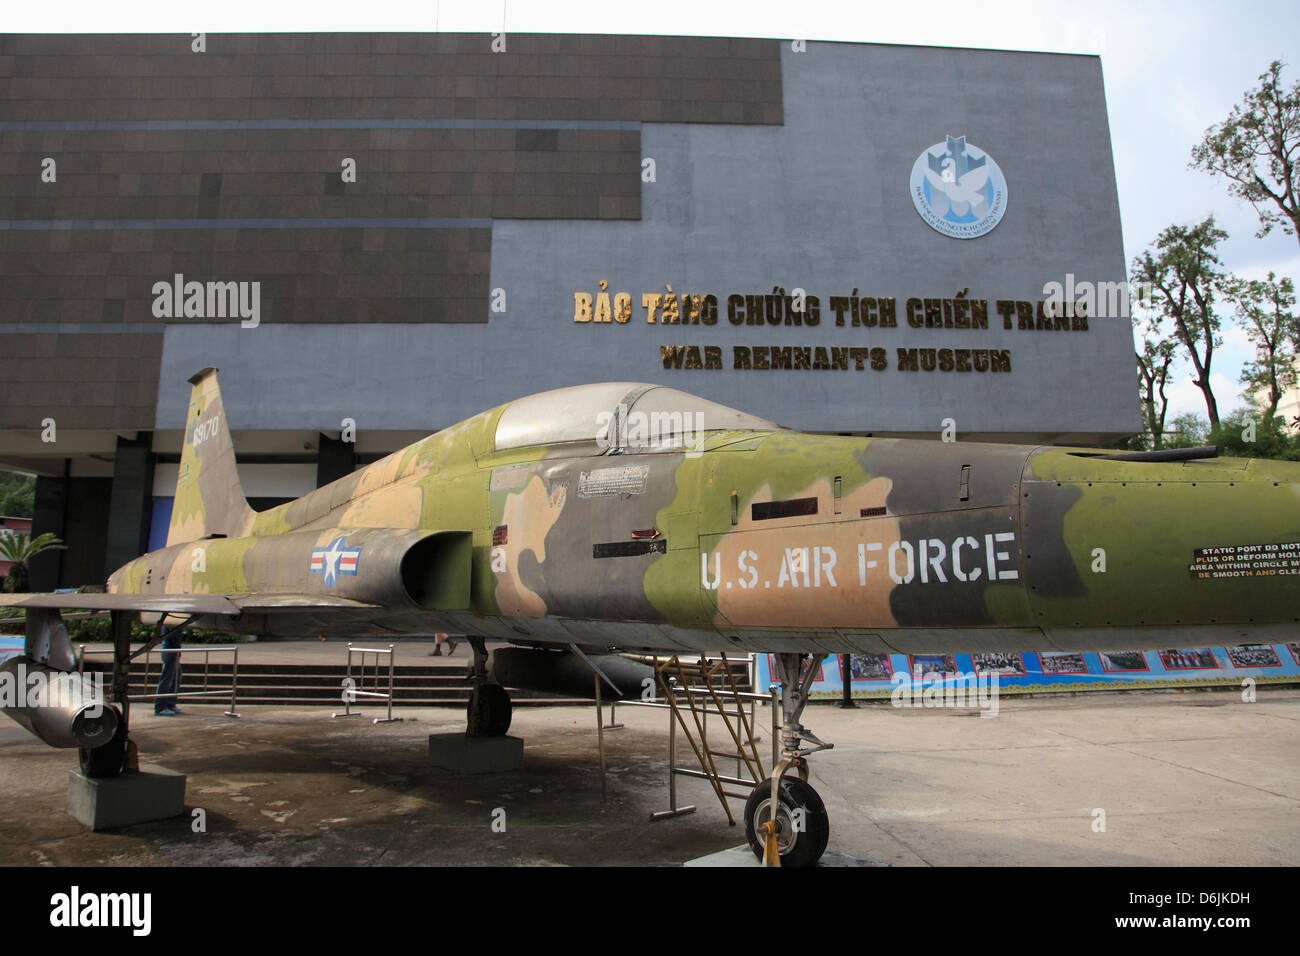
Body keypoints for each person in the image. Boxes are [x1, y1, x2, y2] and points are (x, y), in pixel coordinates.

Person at [155, 629, 183, 715]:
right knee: (167, 678)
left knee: (176, 676)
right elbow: (173, 637)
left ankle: (170, 703)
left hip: (172, 649)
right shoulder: (172, 621)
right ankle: (160, 706)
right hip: (170, 650)